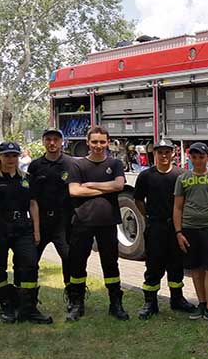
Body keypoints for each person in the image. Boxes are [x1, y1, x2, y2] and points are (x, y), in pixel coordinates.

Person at [65, 125, 129, 322]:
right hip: (82, 222)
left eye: (102, 142)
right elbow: (74, 191)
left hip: (107, 222)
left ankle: (115, 304)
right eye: (94, 142)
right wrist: (107, 188)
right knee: (77, 264)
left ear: (108, 142)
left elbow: (119, 185)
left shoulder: (115, 163)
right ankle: (77, 303)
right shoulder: (77, 165)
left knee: (110, 264)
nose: (98, 146)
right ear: (87, 143)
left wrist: (91, 185)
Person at [0, 142, 52, 324]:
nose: (10, 159)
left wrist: (37, 230)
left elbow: (33, 204)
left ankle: (28, 307)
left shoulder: (26, 178)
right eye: (7, 155)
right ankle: (7, 305)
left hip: (23, 227)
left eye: (14, 155)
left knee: (29, 265)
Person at [135, 139, 195, 320]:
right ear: (154, 154)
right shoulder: (146, 176)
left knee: (176, 264)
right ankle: (150, 303)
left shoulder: (182, 175)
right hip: (156, 226)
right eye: (159, 152)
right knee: (153, 265)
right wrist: (148, 217)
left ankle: (177, 300)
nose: (163, 155)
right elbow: (138, 200)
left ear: (173, 153)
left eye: (167, 152)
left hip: (176, 228)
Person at [173, 142, 208, 325]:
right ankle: (202, 304)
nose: (198, 160)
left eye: (201, 157)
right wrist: (178, 232)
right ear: (190, 158)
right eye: (194, 157)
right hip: (189, 229)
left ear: (207, 158)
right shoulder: (182, 179)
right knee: (195, 268)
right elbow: (177, 207)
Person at [27, 128, 72, 305]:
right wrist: (36, 229)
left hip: (63, 222)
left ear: (62, 142)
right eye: (48, 139)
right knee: (31, 260)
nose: (52, 143)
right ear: (43, 142)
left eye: (55, 139)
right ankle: (29, 299)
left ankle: (72, 296)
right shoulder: (35, 166)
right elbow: (32, 199)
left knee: (68, 258)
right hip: (42, 221)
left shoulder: (71, 164)